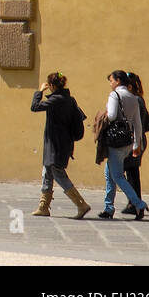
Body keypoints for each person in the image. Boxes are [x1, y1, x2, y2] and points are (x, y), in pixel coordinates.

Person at [29, 72, 92, 219]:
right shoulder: (70, 99)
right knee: (47, 171)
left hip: (55, 144)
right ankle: (43, 206)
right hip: (62, 142)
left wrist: (39, 91)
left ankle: (81, 204)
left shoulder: (56, 100)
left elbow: (34, 107)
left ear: (51, 85)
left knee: (57, 172)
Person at [98, 69, 147, 220]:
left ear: (118, 81)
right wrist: (136, 144)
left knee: (118, 176)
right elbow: (138, 124)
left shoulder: (115, 95)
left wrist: (104, 114)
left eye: (111, 81)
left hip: (115, 141)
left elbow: (112, 116)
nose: (111, 84)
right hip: (127, 141)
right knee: (109, 174)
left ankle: (138, 204)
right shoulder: (133, 97)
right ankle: (108, 208)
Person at [121, 72, 149, 213]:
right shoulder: (139, 99)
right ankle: (133, 203)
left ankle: (135, 203)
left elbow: (139, 123)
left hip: (135, 140)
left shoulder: (135, 100)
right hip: (138, 139)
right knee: (132, 172)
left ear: (129, 86)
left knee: (131, 172)